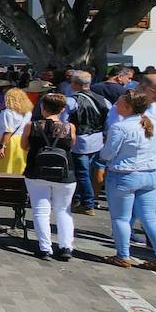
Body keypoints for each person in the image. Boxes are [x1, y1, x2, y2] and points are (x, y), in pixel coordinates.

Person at [99, 90, 156, 272]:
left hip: (124, 173)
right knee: (150, 218)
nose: (116, 106)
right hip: (149, 173)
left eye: (120, 103)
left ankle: (122, 255)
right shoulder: (155, 123)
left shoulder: (120, 127)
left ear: (128, 106)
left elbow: (108, 153)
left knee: (121, 218)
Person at [19, 94, 77, 261]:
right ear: (62, 109)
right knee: (63, 211)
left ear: (43, 108)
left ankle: (45, 248)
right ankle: (66, 246)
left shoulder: (32, 125)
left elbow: (24, 146)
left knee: (40, 210)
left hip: (37, 171)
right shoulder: (69, 127)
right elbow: (71, 145)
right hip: (64, 174)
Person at [64, 71, 109, 216]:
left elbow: (64, 121)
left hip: (80, 141)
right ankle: (77, 199)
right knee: (86, 171)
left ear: (75, 84)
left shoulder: (72, 101)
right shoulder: (102, 99)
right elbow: (107, 121)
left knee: (81, 173)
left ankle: (88, 203)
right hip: (97, 139)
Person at [0, 87, 32, 175]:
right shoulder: (28, 112)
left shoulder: (7, 112)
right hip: (22, 139)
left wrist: (2, 146)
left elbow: (7, 131)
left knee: (3, 165)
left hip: (8, 141)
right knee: (18, 165)